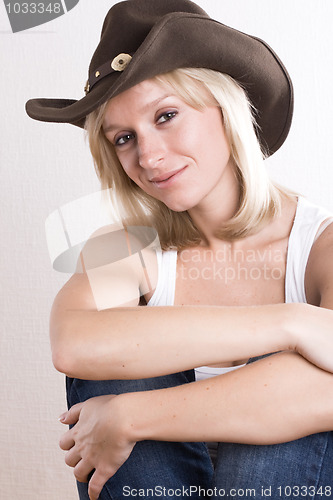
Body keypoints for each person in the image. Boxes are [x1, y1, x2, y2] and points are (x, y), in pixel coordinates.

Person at [26, 1, 333, 499]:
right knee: (111, 375)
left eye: (166, 116)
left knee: (282, 429)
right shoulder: (127, 247)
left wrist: (130, 418)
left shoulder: (321, 244)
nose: (148, 156)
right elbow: (75, 343)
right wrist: (291, 324)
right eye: (124, 138)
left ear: (226, 109)